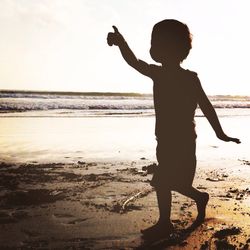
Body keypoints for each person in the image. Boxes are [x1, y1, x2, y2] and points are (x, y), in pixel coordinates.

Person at [107, 19, 240, 239]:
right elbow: (133, 61)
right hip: (164, 140)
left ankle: (198, 198)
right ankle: (165, 222)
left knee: (174, 182)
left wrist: (220, 133)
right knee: (163, 181)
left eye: (157, 43)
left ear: (172, 48)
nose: (154, 48)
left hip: (185, 142)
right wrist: (122, 43)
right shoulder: (158, 73)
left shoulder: (188, 78)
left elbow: (206, 106)